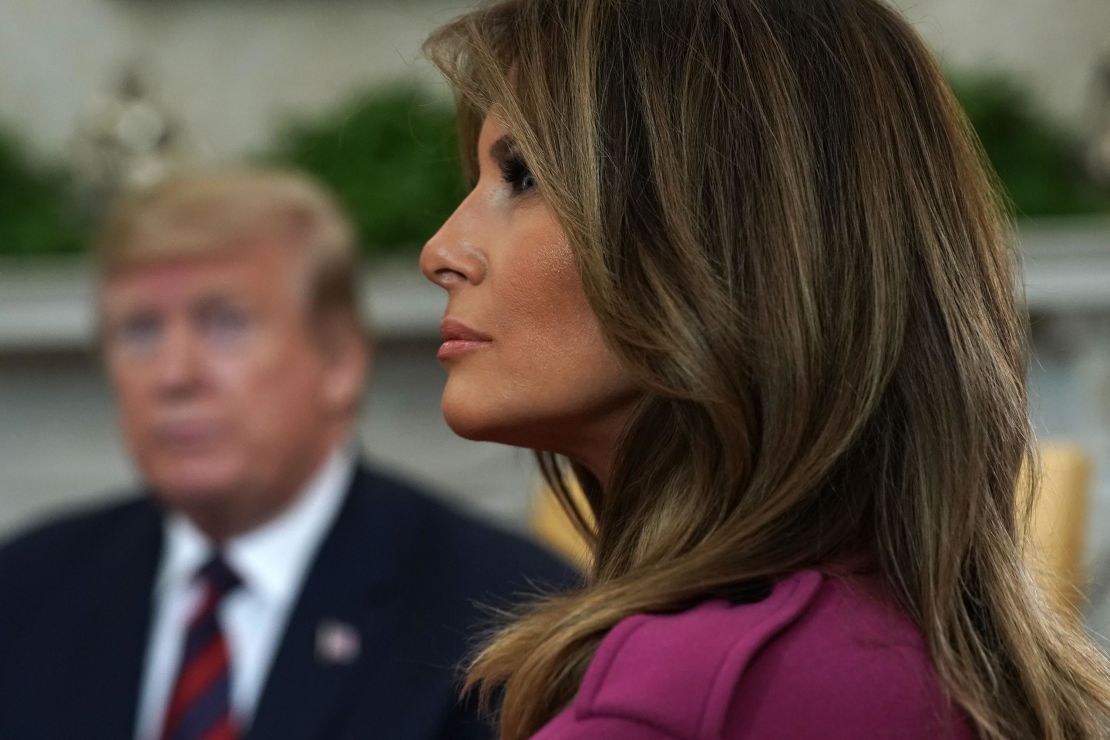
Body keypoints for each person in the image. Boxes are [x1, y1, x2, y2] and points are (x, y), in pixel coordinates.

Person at [419, 1, 1110, 738]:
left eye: (523, 177)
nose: (441, 251)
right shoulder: (889, 649)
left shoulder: (702, 695)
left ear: (729, 240)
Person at [0, 168, 576, 740]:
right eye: (140, 330)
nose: (173, 375)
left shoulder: (503, 614)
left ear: (340, 361)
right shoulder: (25, 593)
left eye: (224, 323)